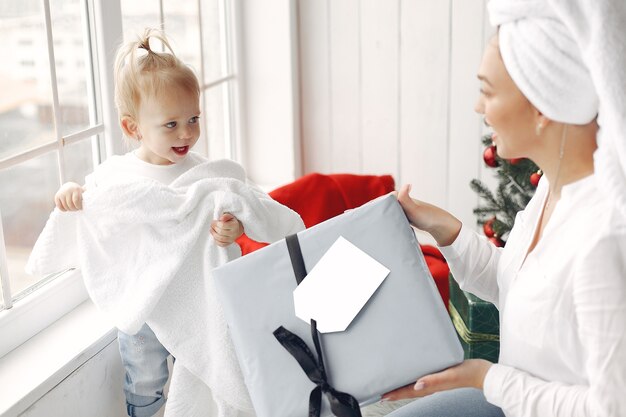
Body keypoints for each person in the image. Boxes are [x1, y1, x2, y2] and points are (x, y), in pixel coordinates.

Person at [381, 1, 626, 417]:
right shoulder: (554, 186)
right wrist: (445, 229)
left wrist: (487, 379)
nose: (479, 108)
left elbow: (613, 408)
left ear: (542, 107)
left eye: (487, 91)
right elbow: (523, 288)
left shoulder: (603, 238)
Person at [52, 28, 254, 417]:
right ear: (133, 128)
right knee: (145, 379)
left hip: (192, 298)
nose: (187, 133)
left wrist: (234, 229)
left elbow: (227, 213)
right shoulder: (119, 176)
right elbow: (92, 201)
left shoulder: (201, 173)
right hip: (142, 302)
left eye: (193, 119)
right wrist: (71, 192)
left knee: (198, 372)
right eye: (171, 124)